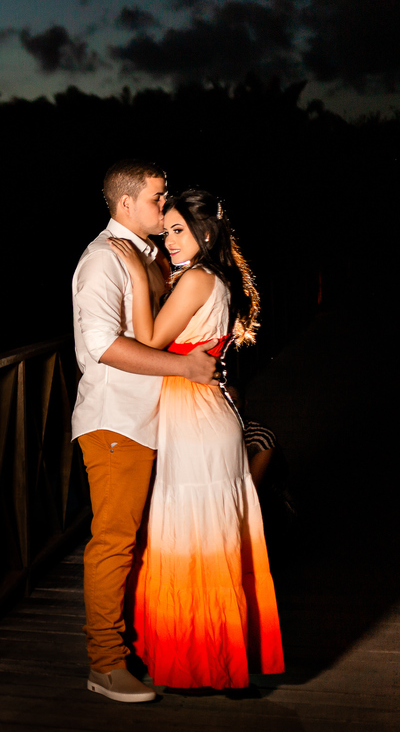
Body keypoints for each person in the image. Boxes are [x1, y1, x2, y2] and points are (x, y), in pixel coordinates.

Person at [109, 188, 285, 690]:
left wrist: (141, 280)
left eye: (178, 231)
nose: (168, 241)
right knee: (203, 537)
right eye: (165, 233)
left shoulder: (199, 279)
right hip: (204, 412)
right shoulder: (208, 278)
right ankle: (208, 657)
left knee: (195, 536)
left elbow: (146, 343)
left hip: (196, 416)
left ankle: (203, 661)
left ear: (205, 233)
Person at [71, 161, 222, 703]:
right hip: (117, 421)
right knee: (113, 543)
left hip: (155, 422)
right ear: (126, 205)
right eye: (158, 198)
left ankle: (133, 647)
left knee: (137, 543)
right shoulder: (102, 260)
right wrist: (184, 368)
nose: (166, 206)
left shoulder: (151, 256)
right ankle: (104, 664)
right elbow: (103, 346)